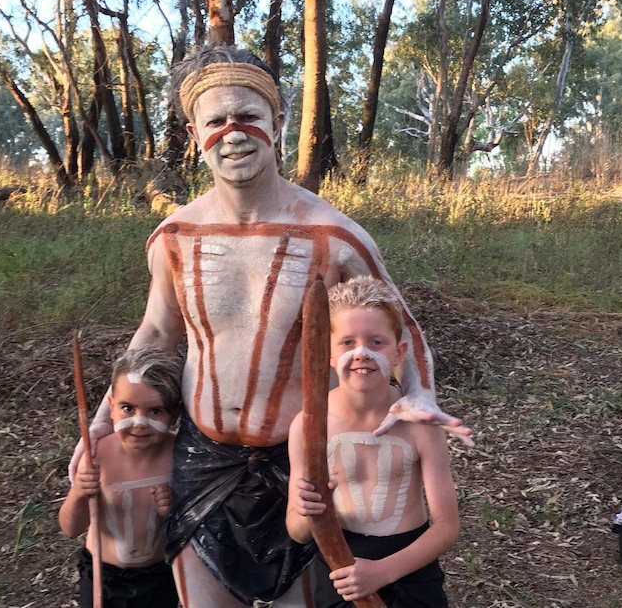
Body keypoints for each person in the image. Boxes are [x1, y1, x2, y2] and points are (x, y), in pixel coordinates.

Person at [72, 44, 473, 608]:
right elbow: (157, 334)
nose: (233, 133)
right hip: (201, 457)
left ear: (278, 123)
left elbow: (401, 328)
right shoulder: (174, 238)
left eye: (249, 117)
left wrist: (419, 398)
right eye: (215, 121)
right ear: (193, 133)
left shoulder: (334, 236)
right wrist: (102, 424)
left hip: (304, 465)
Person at [286, 276, 460, 607]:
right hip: (339, 570)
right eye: (347, 342)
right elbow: (296, 531)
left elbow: (446, 526)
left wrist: (384, 571)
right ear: (328, 354)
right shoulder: (307, 427)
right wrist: (305, 511)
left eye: (376, 342)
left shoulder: (421, 425)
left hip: (410, 568)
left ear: (400, 351)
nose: (362, 353)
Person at [59, 348, 181, 608]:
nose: (139, 423)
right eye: (128, 408)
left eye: (156, 411)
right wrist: (80, 492)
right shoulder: (97, 456)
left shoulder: (180, 457)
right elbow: (71, 528)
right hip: (103, 578)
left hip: (159, 576)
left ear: (175, 414)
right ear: (112, 408)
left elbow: (191, 527)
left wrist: (171, 512)